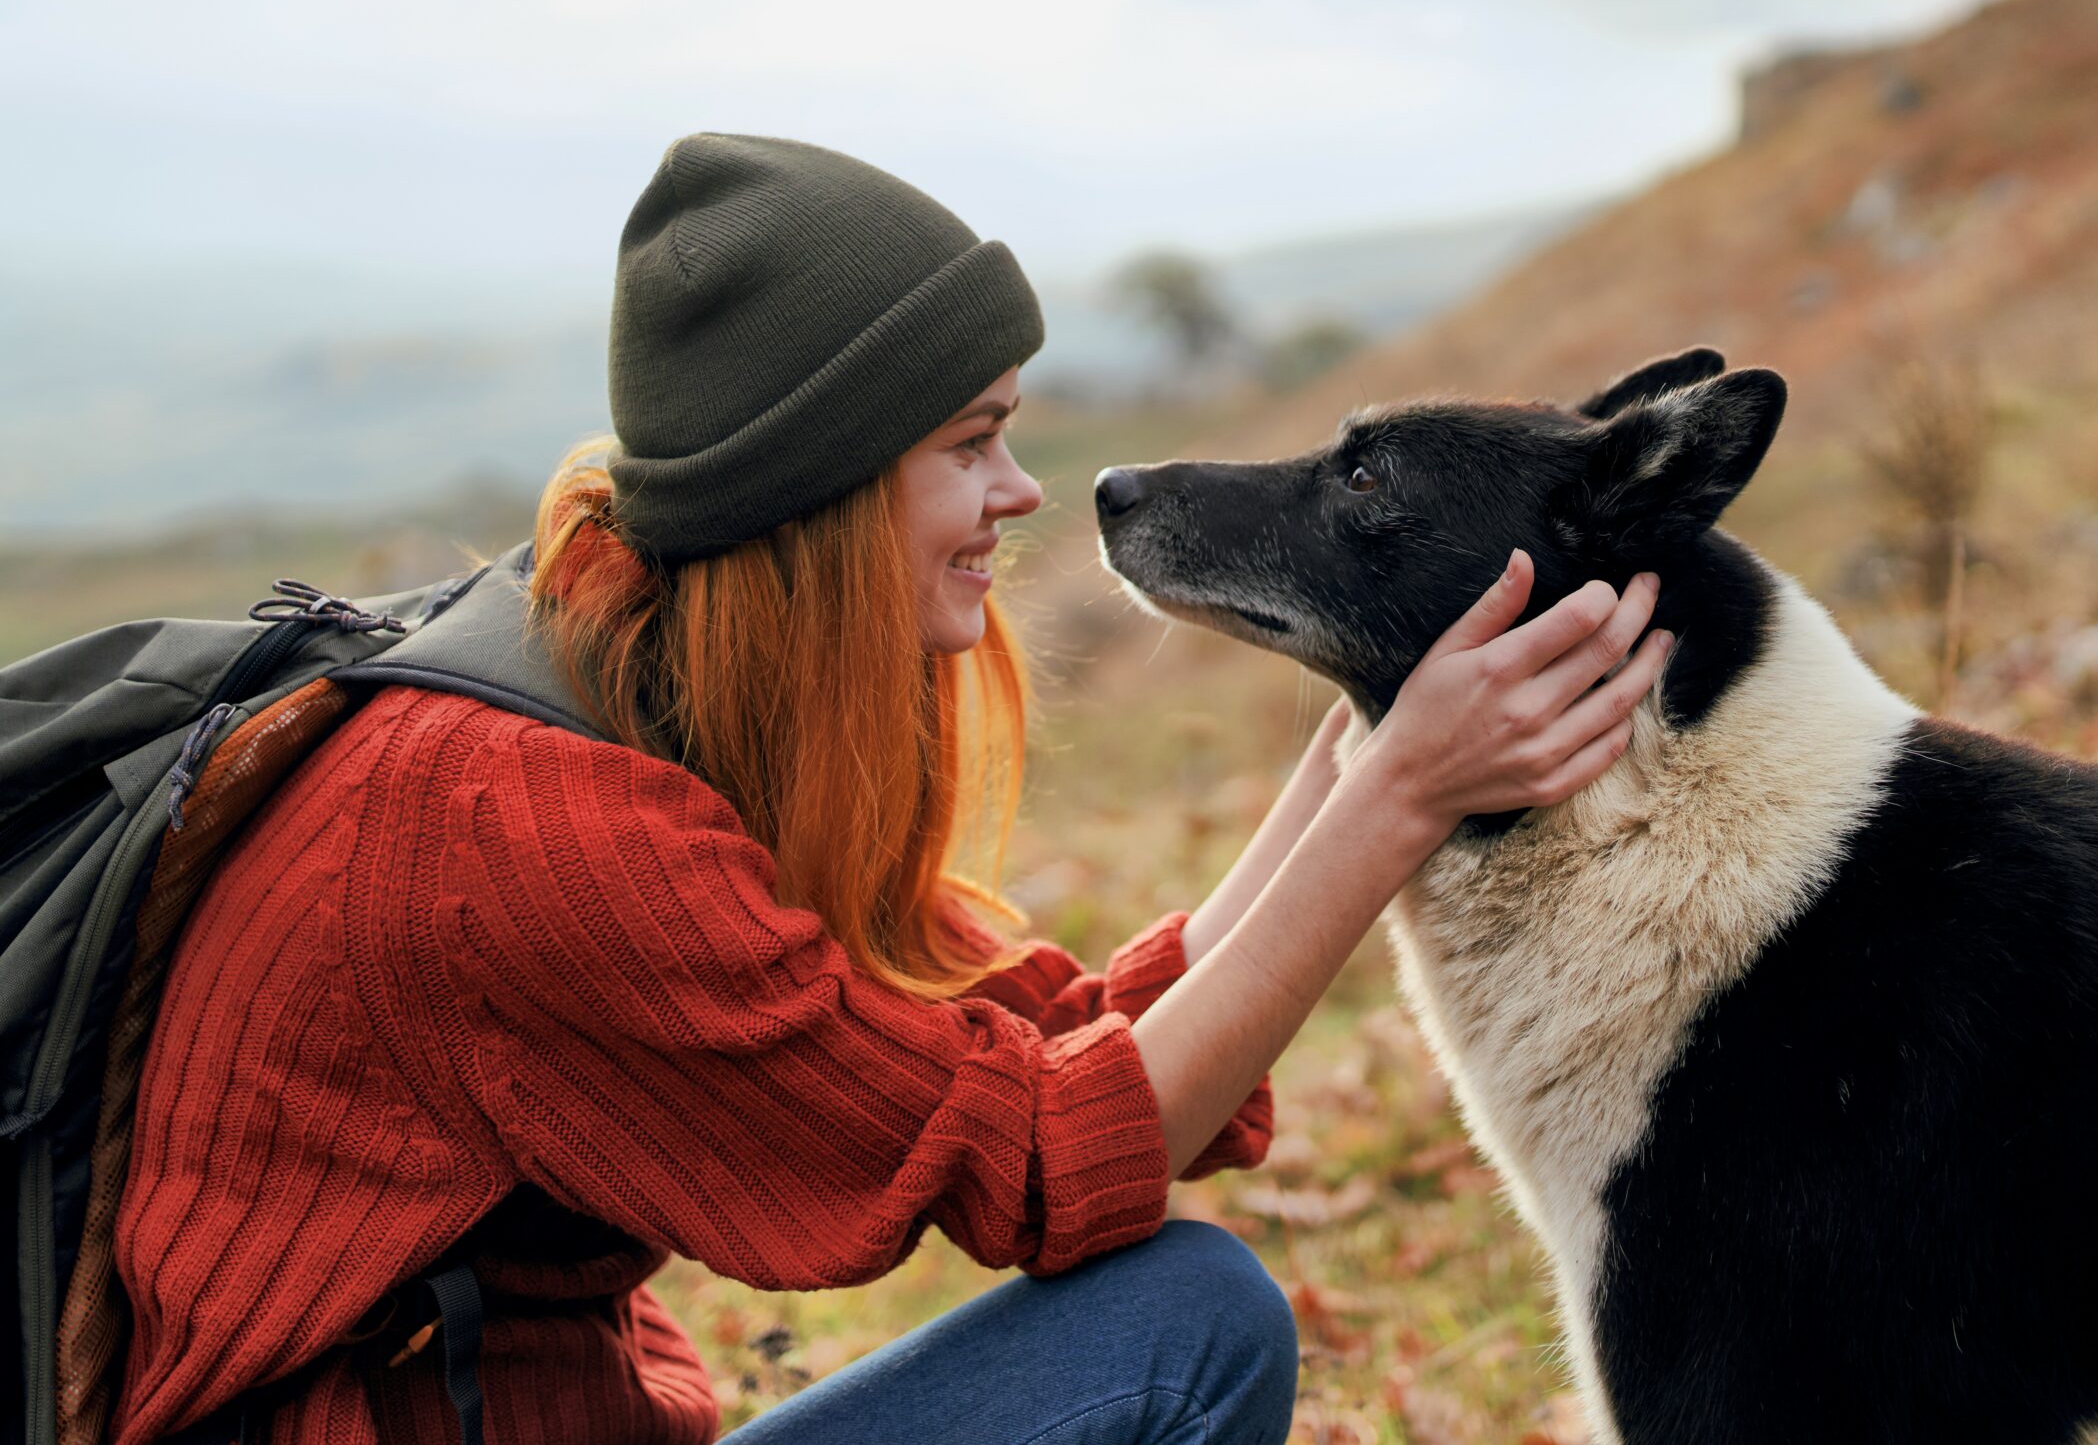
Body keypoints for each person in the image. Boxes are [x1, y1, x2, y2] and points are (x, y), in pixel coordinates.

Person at [110, 133, 1668, 1445]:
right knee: (1186, 1322)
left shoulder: (626, 669)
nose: (1023, 490)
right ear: (830, 483)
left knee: (1187, 1302)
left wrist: (1362, 746)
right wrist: (1397, 803)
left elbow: (1051, 1051)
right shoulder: (528, 831)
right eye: (974, 442)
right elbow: (1057, 1162)